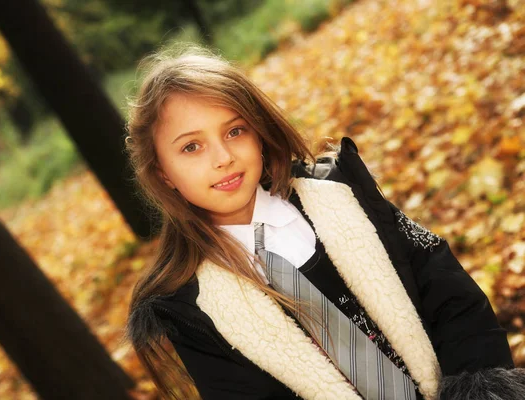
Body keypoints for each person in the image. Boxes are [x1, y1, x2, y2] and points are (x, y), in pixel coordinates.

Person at [124, 44, 522, 400]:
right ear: (162, 173)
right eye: (191, 147)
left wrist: (476, 384)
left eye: (235, 131)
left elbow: (447, 290)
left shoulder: (342, 196)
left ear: (259, 134)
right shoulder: (194, 309)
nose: (222, 157)